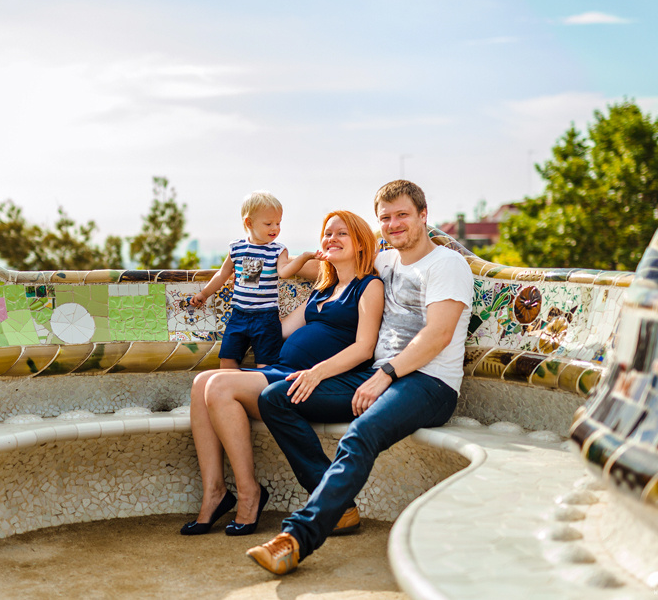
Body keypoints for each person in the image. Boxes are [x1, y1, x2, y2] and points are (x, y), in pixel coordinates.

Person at [247, 180, 474, 574]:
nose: (393, 224)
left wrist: (386, 373)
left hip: (428, 383)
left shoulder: (447, 265)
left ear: (424, 216)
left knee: (360, 434)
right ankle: (338, 507)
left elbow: (437, 335)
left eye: (402, 214)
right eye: (385, 218)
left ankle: (297, 537)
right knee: (276, 398)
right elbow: (339, 261)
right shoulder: (384, 263)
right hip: (376, 376)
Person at [181, 210, 384, 537]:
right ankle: (215, 492)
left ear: (361, 244)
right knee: (201, 382)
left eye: (341, 234)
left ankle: (249, 495)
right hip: (285, 368)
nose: (331, 239)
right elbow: (279, 330)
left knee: (219, 386)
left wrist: (317, 373)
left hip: (317, 380)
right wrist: (248, 299)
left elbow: (364, 347)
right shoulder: (322, 290)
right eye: (327, 233)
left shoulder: (368, 286)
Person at [191, 191, 319, 369]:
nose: (275, 228)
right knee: (227, 360)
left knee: (265, 365)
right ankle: (228, 391)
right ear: (249, 223)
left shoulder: (278, 250)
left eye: (278, 223)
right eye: (268, 224)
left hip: (266, 318)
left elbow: (284, 272)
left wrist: (304, 257)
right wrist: (204, 294)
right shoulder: (237, 248)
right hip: (239, 315)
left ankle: (257, 394)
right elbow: (222, 274)